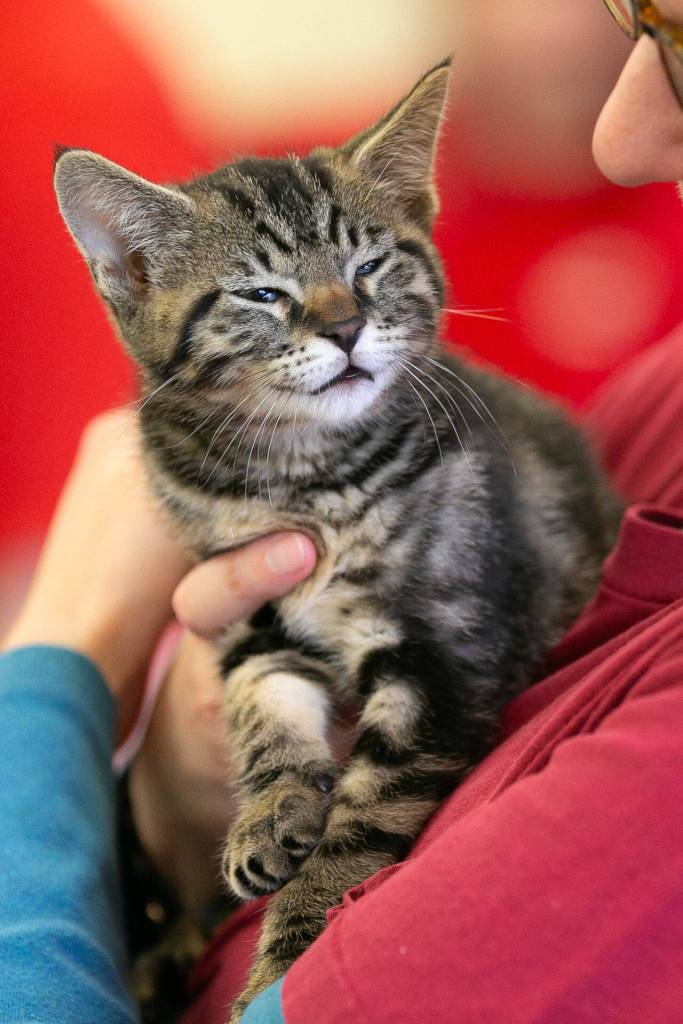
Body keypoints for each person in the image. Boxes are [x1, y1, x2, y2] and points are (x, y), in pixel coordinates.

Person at [2, 3, 683, 1020]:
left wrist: (66, 655)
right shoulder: (656, 410)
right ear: (131, 276)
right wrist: (171, 819)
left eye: (674, 46)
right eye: (633, 20)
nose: (618, 135)